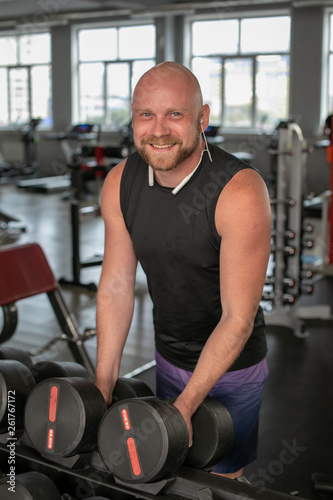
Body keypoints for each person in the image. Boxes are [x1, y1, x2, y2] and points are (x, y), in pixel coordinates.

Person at [95, 62, 272, 479]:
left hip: (232, 367)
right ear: (133, 118)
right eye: (146, 115)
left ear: (202, 118)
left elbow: (239, 318)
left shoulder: (240, 191)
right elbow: (117, 287)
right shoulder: (120, 182)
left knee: (221, 480)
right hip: (169, 355)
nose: (158, 130)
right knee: (170, 472)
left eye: (175, 114)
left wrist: (188, 405)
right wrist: (102, 383)